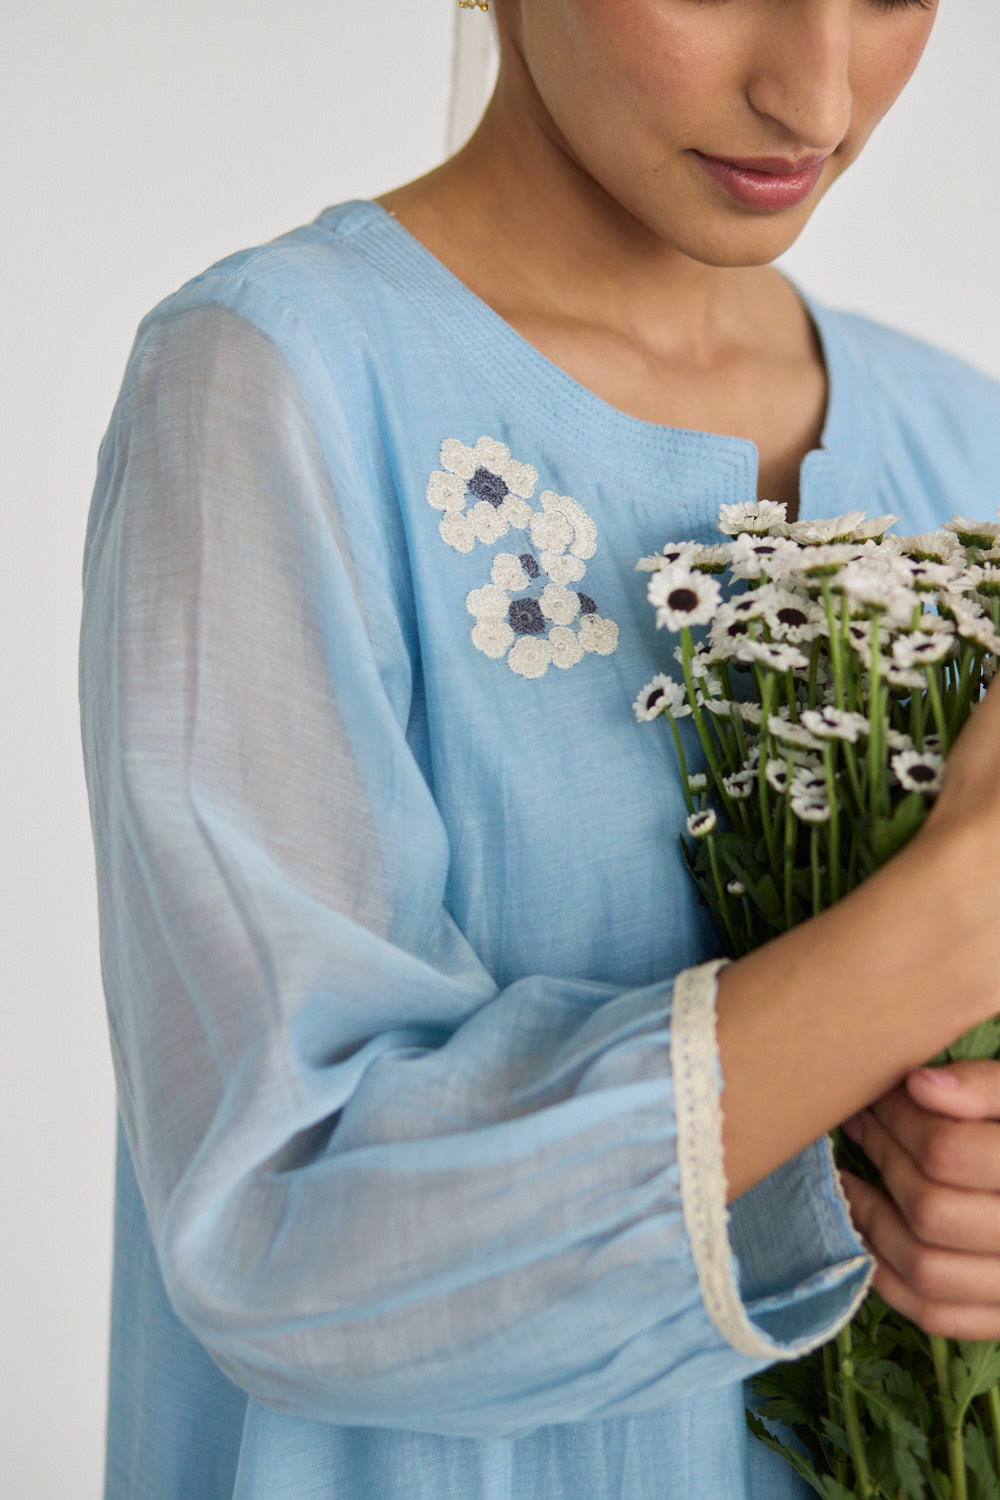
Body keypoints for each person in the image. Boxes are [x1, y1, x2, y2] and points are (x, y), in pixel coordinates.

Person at [77, 1, 1000, 1496]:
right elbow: (282, 1220)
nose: (812, 91)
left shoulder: (971, 449)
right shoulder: (278, 387)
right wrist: (948, 925)